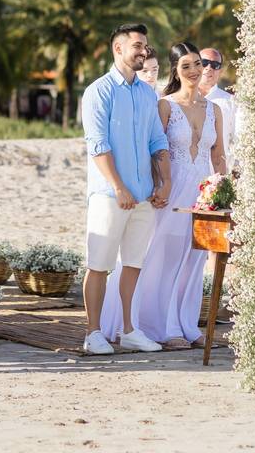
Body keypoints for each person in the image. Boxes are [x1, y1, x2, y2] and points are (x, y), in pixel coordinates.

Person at [100, 42, 227, 347]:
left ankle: (187, 325)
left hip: (204, 194)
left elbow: (219, 155)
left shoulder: (216, 110)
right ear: (175, 70)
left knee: (195, 260)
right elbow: (156, 150)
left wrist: (223, 189)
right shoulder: (165, 105)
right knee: (162, 258)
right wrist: (161, 185)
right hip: (171, 192)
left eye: (198, 64)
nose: (195, 71)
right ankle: (161, 327)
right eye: (186, 66)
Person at [80, 23, 171, 355]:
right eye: (137, 45)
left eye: (145, 45)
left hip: (145, 196)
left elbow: (157, 141)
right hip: (109, 196)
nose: (143, 51)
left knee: (133, 263)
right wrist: (119, 187)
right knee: (99, 264)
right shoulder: (98, 91)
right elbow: (98, 145)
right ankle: (93, 332)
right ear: (118, 49)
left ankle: (129, 330)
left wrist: (165, 182)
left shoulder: (148, 94)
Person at [197, 48, 236, 171]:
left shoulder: (231, 102)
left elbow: (238, 140)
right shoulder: (179, 99)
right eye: (204, 63)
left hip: (216, 177)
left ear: (220, 71)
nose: (209, 68)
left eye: (215, 65)